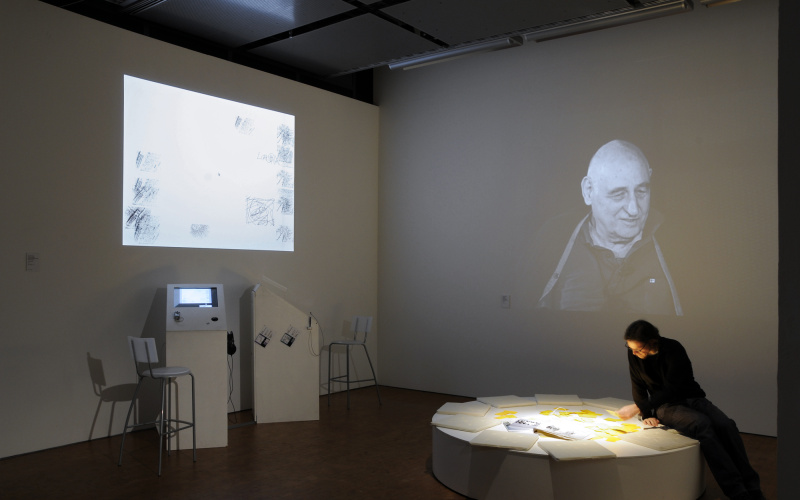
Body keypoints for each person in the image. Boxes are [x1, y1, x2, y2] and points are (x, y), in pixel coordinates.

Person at [617, 319, 764, 500]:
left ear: (652, 341)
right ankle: (737, 492)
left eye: (638, 349)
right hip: (666, 407)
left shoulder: (673, 348)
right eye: (630, 347)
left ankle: (752, 487)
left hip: (691, 398)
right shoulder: (634, 355)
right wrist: (646, 413)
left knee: (726, 425)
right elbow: (637, 384)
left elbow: (674, 387)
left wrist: (639, 407)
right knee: (701, 424)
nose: (633, 352)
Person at [535, 140, 682, 315]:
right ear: (588, 191)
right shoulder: (554, 240)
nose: (634, 209)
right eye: (619, 194)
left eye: (641, 191)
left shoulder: (679, 244)